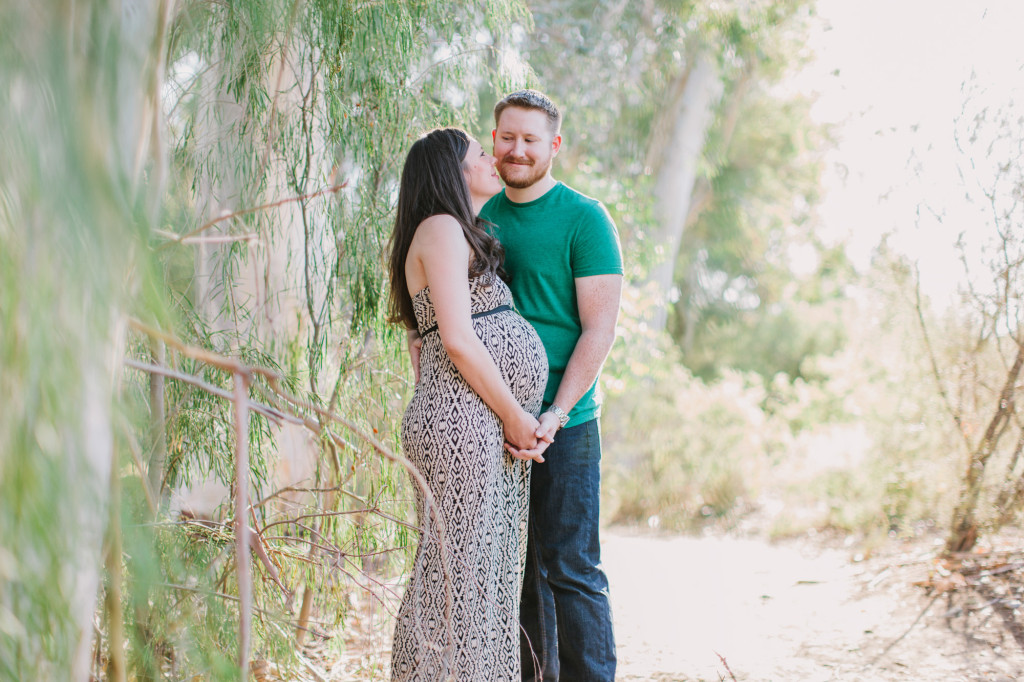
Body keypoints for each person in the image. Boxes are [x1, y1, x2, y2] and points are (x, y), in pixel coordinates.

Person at [387, 127, 550, 681]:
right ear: (452, 170)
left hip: (479, 423)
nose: (491, 158)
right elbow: (454, 337)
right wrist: (514, 415)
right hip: (465, 422)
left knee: (487, 574)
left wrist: (511, 419)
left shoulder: (459, 233)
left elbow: (423, 344)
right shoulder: (439, 228)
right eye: (479, 152)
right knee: (455, 574)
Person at [482, 90, 623, 682]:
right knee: (515, 573)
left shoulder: (584, 218)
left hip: (566, 424)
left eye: (530, 139)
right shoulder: (478, 215)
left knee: (570, 567)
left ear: (554, 146)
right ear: (494, 140)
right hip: (490, 419)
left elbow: (599, 329)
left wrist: (555, 413)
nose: (517, 150)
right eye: (507, 137)